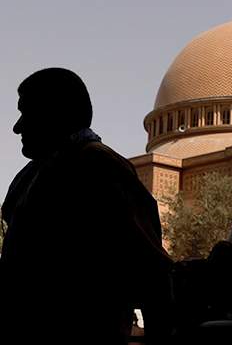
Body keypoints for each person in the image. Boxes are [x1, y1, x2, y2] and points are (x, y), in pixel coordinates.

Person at [0, 68, 173, 343]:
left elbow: (152, 270)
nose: (17, 127)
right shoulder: (37, 171)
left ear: (55, 114)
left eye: (27, 113)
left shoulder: (98, 167)